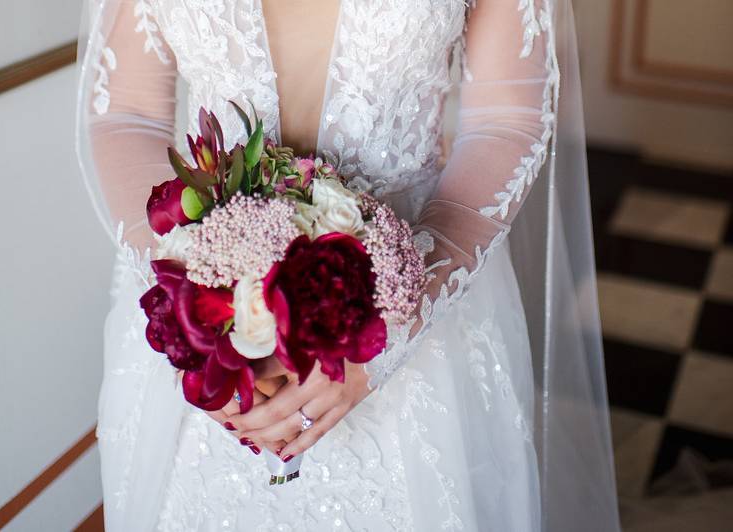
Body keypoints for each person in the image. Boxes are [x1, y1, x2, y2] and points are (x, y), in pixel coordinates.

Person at [76, 0, 621, 530]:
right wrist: (193, 305)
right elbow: (127, 112)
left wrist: (390, 332)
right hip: (205, 295)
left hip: (418, 301)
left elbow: (507, 120)